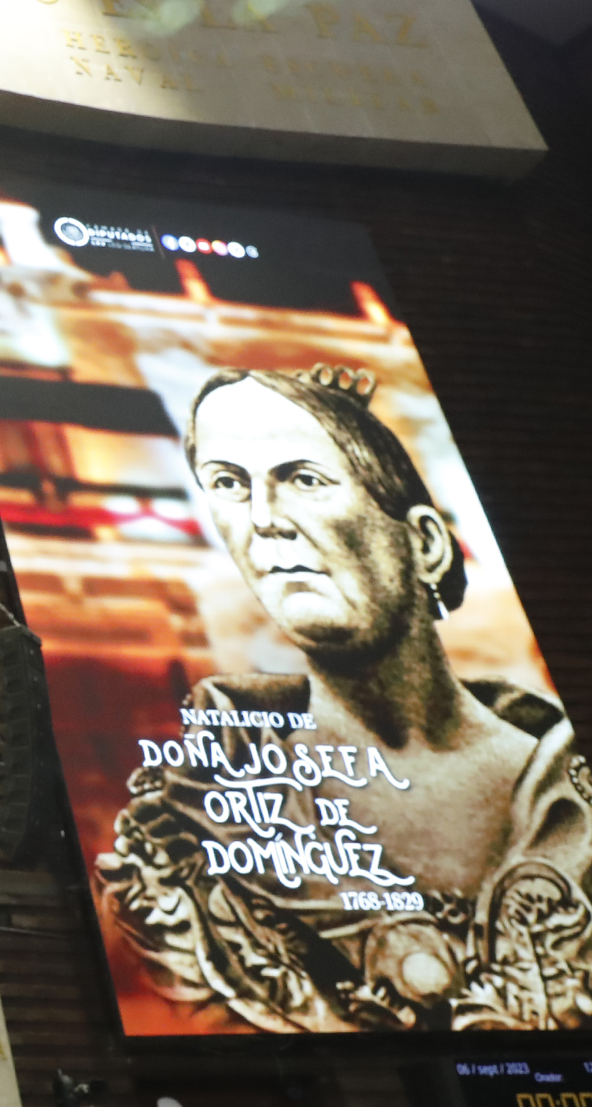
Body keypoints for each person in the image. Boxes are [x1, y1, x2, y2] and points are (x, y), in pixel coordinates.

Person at [101, 365, 586, 1033]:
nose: (263, 521)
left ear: (424, 542)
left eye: (305, 478)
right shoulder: (185, 825)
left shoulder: (566, 790)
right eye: (229, 484)